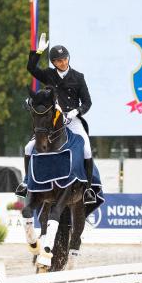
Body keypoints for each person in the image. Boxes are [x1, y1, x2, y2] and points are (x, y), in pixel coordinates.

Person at [16, 33, 95, 203]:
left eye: (65, 59)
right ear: (53, 63)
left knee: (87, 149)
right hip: (52, 121)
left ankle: (88, 189)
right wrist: (38, 52)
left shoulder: (78, 77)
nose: (63, 62)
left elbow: (87, 102)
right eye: (59, 61)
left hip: (72, 120)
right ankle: (26, 182)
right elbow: (31, 68)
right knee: (29, 148)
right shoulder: (48, 75)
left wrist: (76, 112)